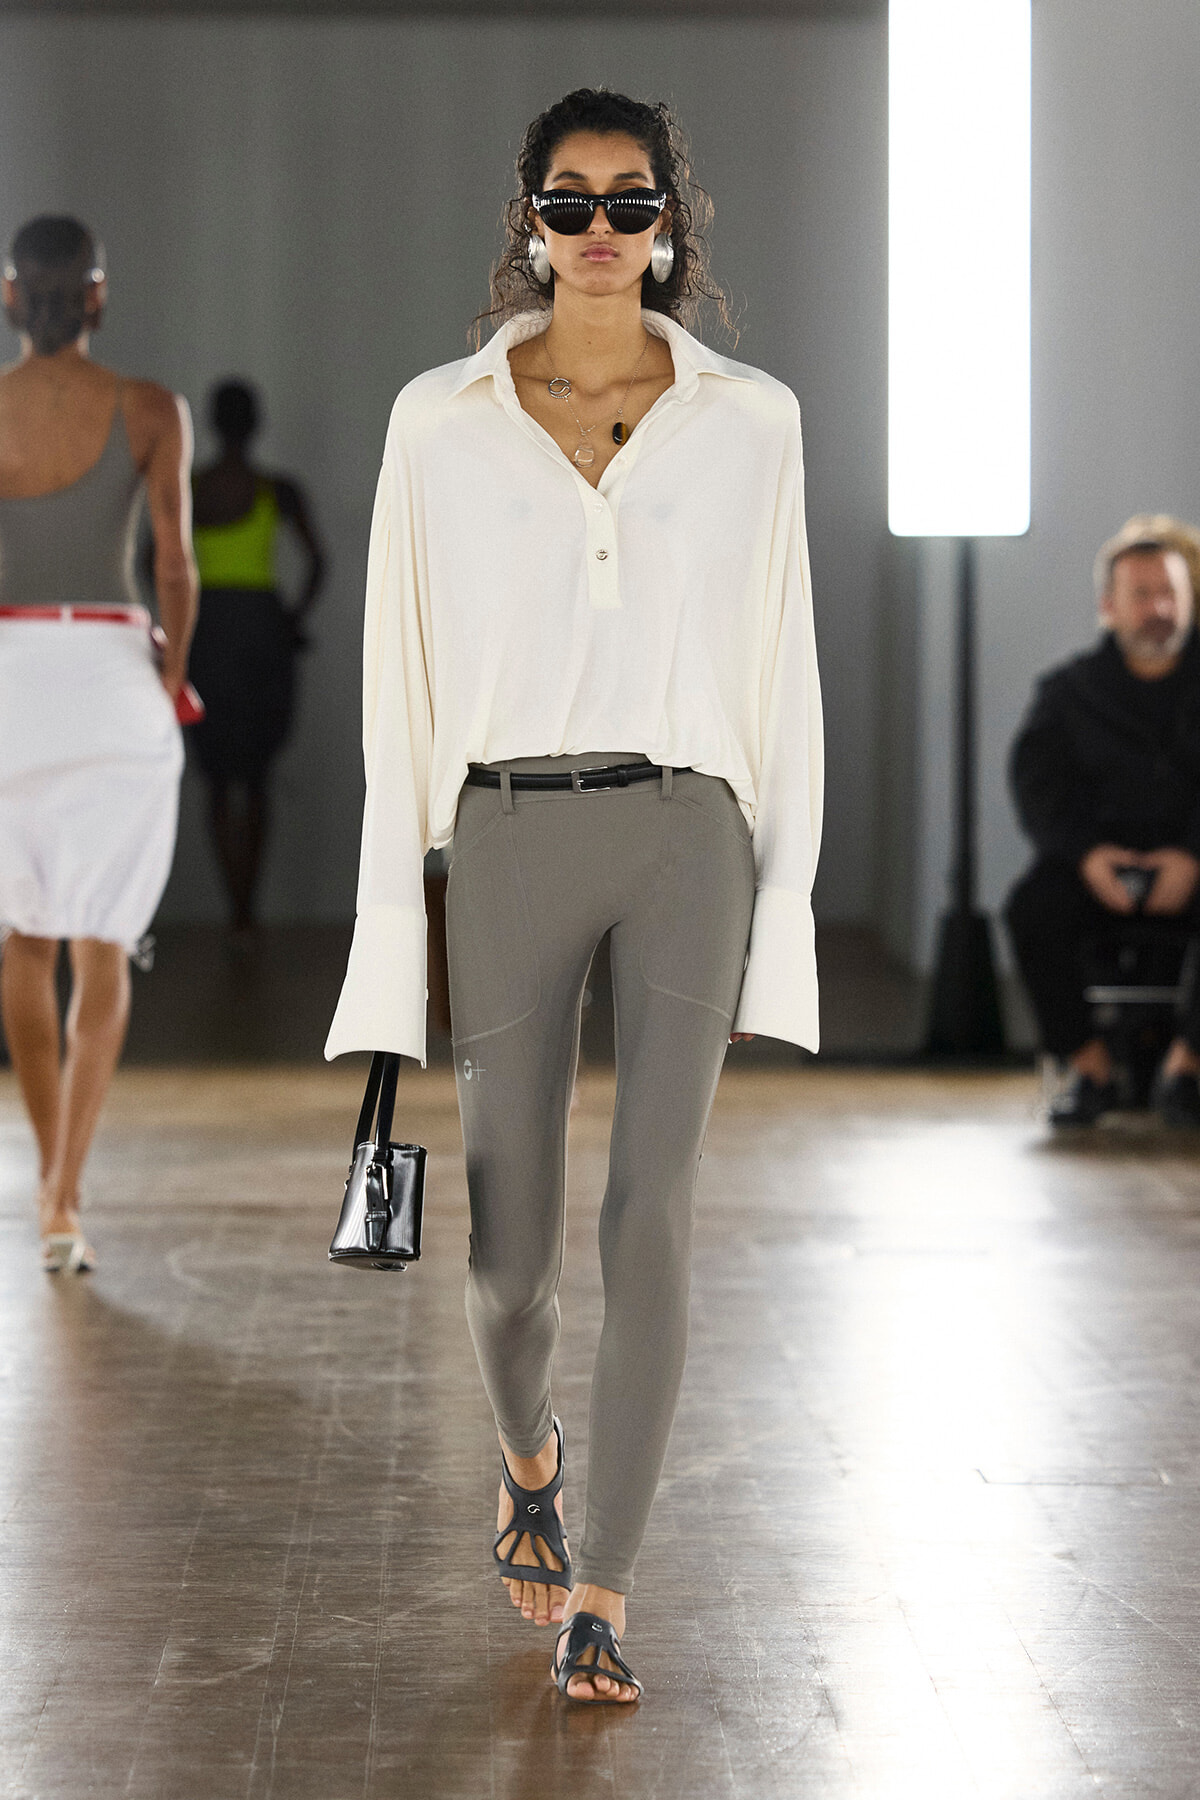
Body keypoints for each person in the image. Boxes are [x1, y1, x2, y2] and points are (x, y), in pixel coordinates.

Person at [325, 88, 822, 1702]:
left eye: (627, 203)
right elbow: (394, 684)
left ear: (669, 219)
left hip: (690, 834)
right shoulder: (437, 418)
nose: (598, 233)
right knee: (509, 1255)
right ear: (526, 222)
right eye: (569, 203)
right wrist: (391, 936)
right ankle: (526, 1456)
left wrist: (784, 912)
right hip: (509, 831)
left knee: (652, 1220)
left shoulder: (752, 418)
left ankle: (605, 1583)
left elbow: (784, 673)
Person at [0, 215, 196, 1270]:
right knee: (100, 943)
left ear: (10, 296)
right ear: (96, 298)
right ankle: (70, 1185)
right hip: (114, 674)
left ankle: (46, 1183)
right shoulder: (150, 408)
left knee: (22, 939)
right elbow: (176, 569)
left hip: (11, 681)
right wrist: (166, 679)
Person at [1006, 516, 1200, 1127]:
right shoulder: (1069, 693)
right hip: (1094, 868)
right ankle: (1089, 1068)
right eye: (1142, 595)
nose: (1159, 608)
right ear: (1108, 606)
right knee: (1031, 910)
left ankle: (1188, 1068)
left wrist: (1192, 856)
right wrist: (1088, 855)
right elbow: (1038, 788)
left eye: (1171, 593)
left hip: (1194, 865)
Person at [189, 379, 326, 933]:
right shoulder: (279, 490)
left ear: (213, 423)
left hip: (209, 635)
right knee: (259, 774)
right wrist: (290, 620)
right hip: (261, 636)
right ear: (256, 423)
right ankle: (248, 912)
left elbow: (155, 557)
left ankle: (236, 911)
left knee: (220, 777)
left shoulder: (190, 488)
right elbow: (318, 563)